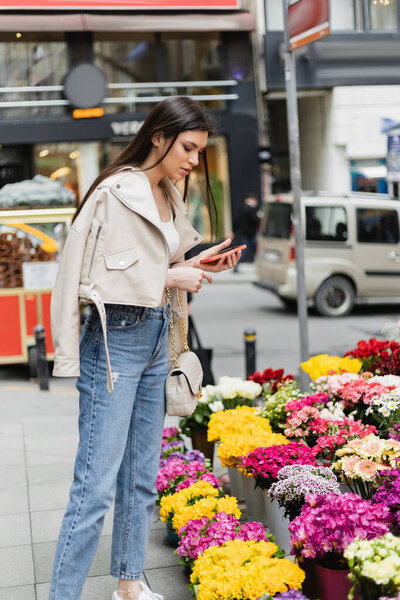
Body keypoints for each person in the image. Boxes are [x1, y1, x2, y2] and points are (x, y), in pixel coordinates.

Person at [49, 96, 241, 600]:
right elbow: (89, 274)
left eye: (200, 151)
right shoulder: (115, 193)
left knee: (140, 476)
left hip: (157, 338)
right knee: (93, 488)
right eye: (189, 148)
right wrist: (171, 274)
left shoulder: (166, 193)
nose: (194, 161)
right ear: (159, 136)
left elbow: (161, 260)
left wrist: (199, 265)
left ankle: (130, 583)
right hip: (115, 344)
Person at [233, 193, 262, 266]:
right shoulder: (251, 210)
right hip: (250, 233)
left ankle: (237, 264)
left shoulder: (240, 209)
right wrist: (258, 216)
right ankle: (237, 264)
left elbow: (236, 221)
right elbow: (254, 220)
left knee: (248, 249)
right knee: (250, 249)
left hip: (243, 232)